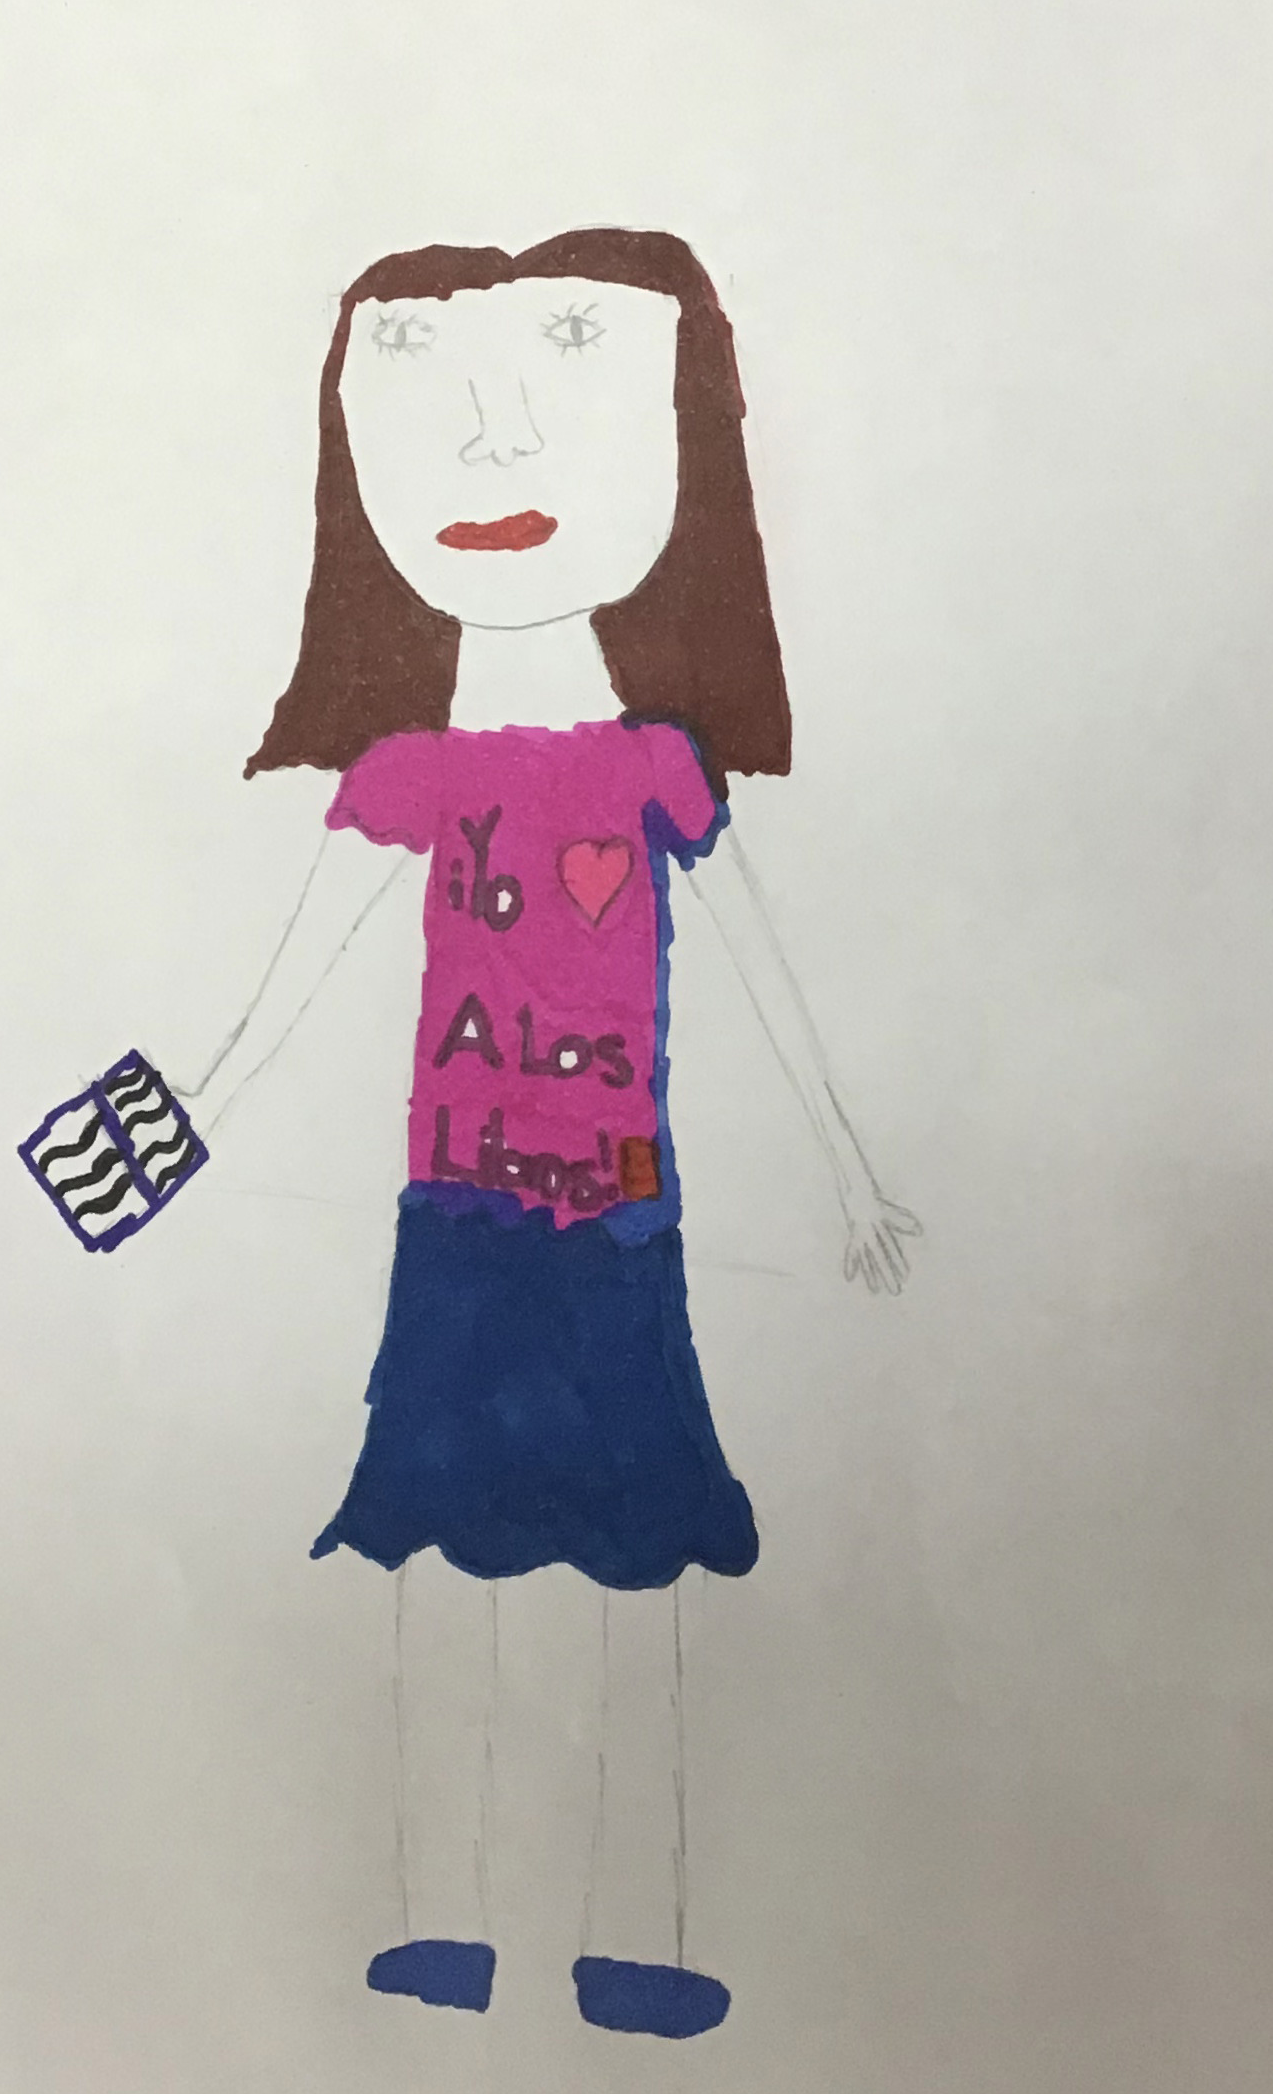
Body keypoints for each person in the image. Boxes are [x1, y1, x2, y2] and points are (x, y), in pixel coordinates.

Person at [175, 228, 917, 2038]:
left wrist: (848, 1166)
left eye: (574, 360)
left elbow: (762, 965)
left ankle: (635, 1940)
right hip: (456, 1221)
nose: (492, 445)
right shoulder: (416, 774)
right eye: (420, 378)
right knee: (439, 1547)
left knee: (636, 1558)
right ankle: (441, 1926)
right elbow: (296, 965)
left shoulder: (654, 767)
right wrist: (199, 1102)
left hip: (618, 1225)